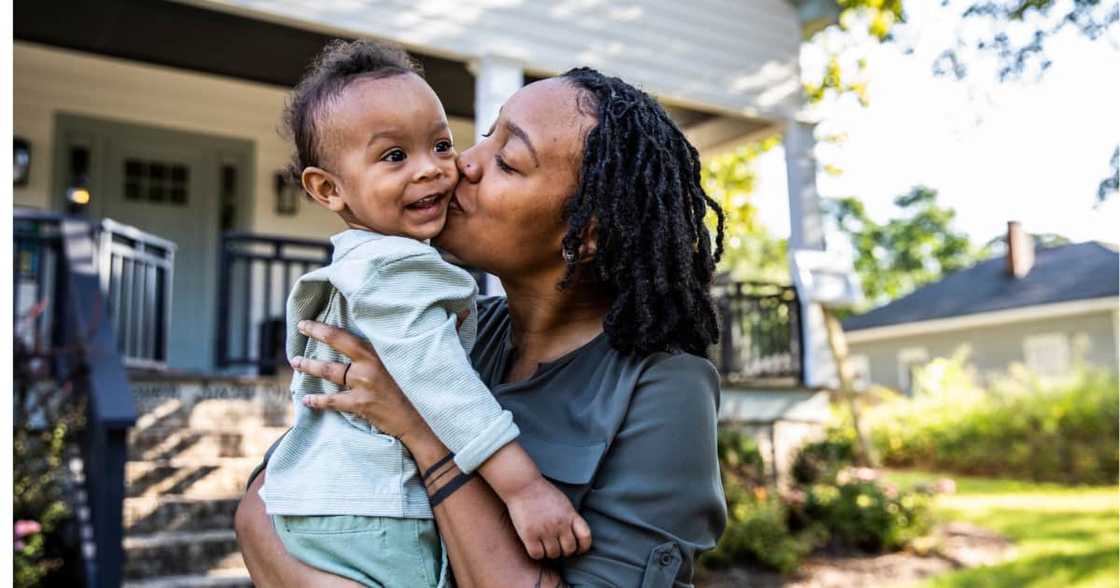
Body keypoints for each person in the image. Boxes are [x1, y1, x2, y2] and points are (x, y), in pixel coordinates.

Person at [236, 63, 729, 587]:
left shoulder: (663, 388)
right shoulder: (446, 326)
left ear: (586, 232)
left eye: (508, 161)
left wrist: (425, 436)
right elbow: (265, 508)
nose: (462, 164)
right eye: (485, 135)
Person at [256, 40, 588, 588]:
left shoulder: (360, 263)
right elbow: (444, 387)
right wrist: (523, 488)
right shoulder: (396, 270)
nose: (432, 170)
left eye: (439, 144)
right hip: (374, 512)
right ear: (327, 188)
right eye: (394, 157)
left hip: (322, 506)